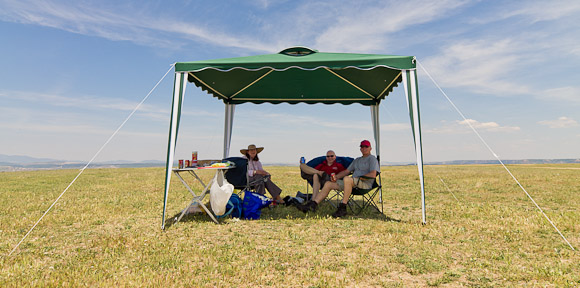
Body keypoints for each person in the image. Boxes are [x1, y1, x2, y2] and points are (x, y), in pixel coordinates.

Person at [297, 140, 379, 218]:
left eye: (366, 146)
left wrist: (358, 178)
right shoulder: (357, 160)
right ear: (360, 148)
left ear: (370, 148)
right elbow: (346, 171)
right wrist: (336, 177)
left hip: (364, 183)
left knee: (347, 179)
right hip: (353, 183)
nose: (364, 148)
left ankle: (343, 207)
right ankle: (313, 205)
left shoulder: (372, 159)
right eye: (362, 146)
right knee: (328, 184)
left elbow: (373, 174)